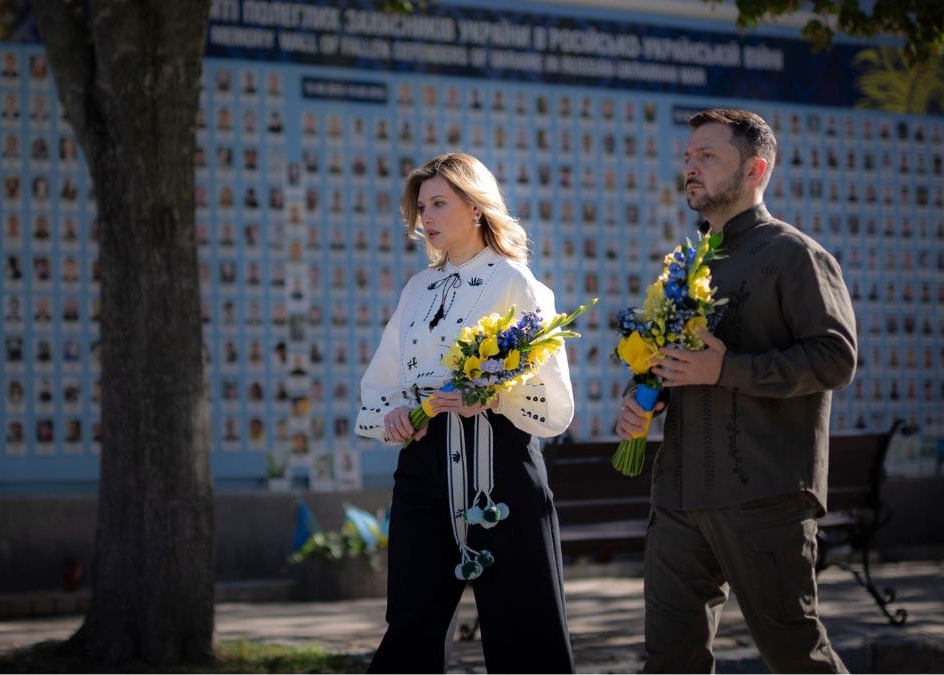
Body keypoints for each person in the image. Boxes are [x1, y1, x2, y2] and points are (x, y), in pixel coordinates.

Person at [613, 108, 856, 673]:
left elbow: (834, 358)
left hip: (764, 492)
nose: (690, 167)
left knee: (797, 656)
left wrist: (726, 371)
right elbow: (677, 361)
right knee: (670, 660)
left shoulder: (795, 255)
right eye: (688, 156)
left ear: (755, 169)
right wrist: (644, 397)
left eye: (708, 156)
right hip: (677, 493)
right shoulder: (688, 262)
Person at [356, 152, 575, 673]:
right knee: (411, 621)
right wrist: (394, 414)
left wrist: (492, 397)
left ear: (475, 207)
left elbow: (555, 400)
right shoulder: (416, 289)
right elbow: (383, 381)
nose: (425, 218)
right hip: (422, 467)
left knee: (525, 626)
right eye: (420, 207)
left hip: (501, 467)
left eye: (438, 203)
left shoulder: (517, 283)